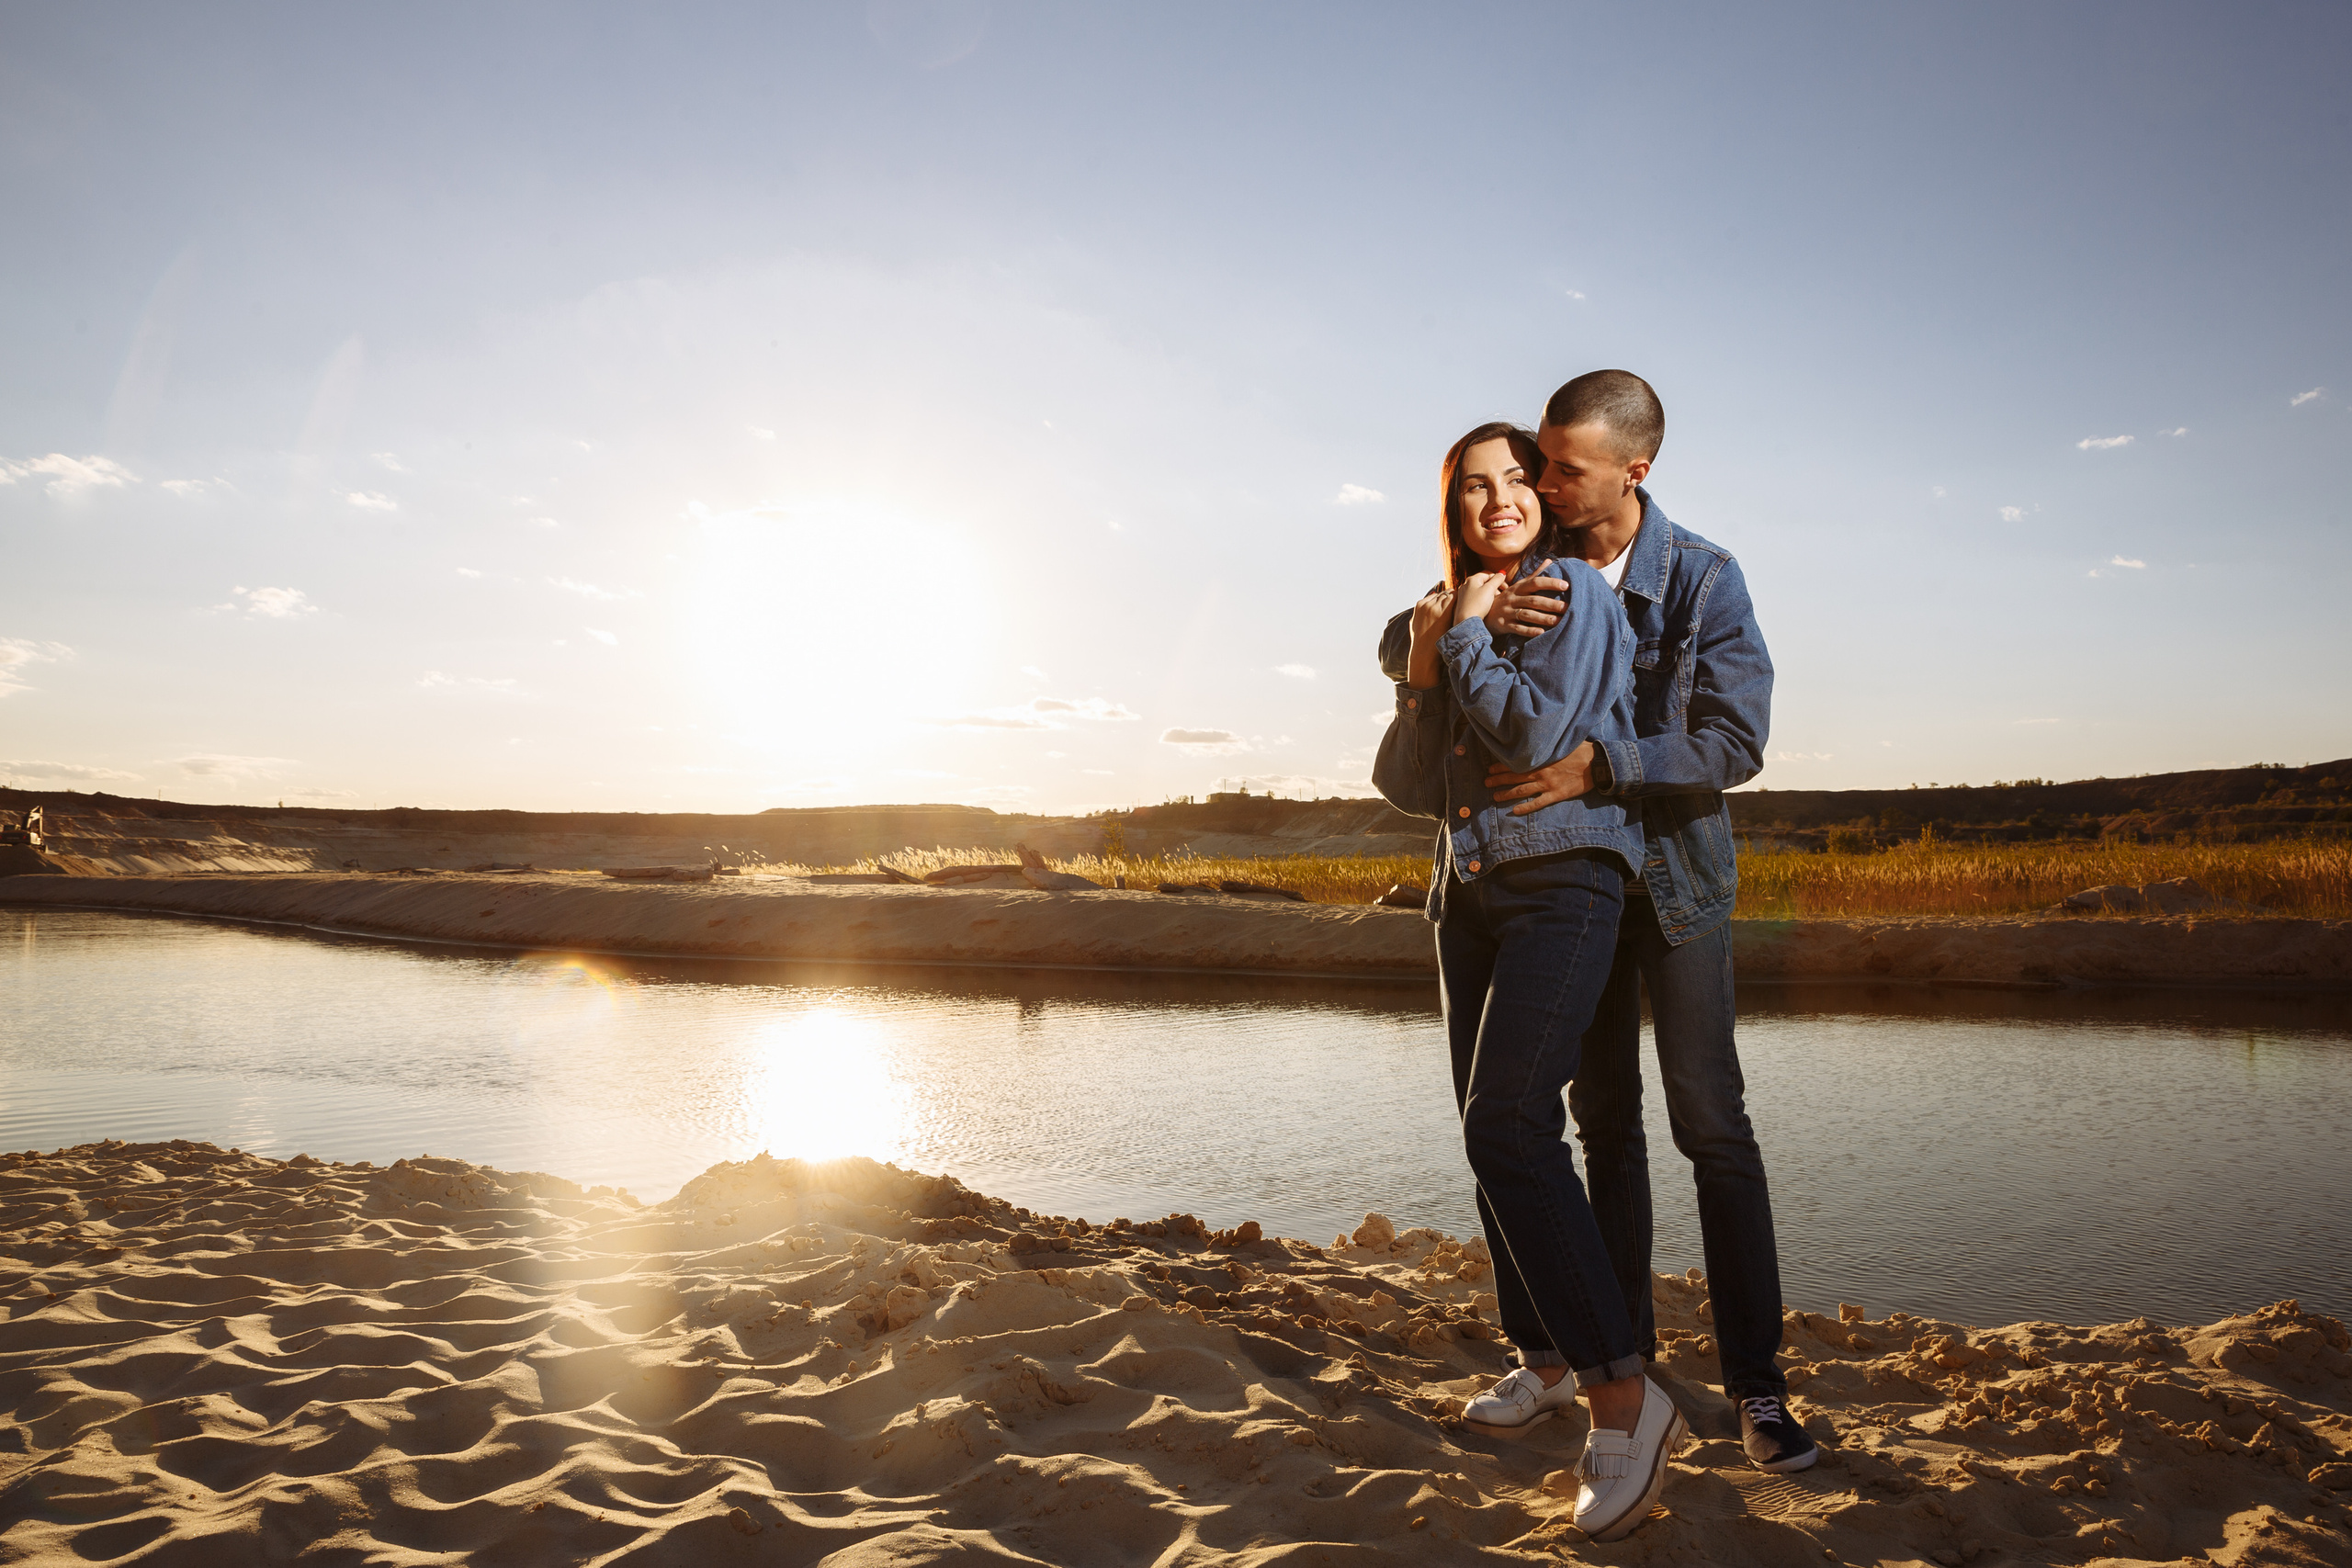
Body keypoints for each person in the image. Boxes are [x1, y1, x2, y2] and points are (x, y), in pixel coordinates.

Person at [1378, 371, 1814, 1473]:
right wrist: (1469, 617)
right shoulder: (1526, 566)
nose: (1544, 483)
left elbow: (1734, 739)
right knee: (1597, 1125)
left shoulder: (1702, 577)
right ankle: (1622, 1357)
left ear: (1635, 470)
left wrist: (1600, 764)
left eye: (1559, 468)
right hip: (1559, 890)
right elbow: (1409, 630)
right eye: (1539, 466)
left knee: (1710, 1126)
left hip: (1667, 882)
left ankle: (1757, 1389)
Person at [1373, 420, 1687, 1542]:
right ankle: (1544, 1359)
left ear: (1546, 499)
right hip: (1467, 895)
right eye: (1472, 487)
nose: (1496, 499)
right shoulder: (1460, 610)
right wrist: (1425, 660)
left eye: (1515, 480)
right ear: (1450, 507)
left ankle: (1623, 1395)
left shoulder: (1566, 596)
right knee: (1483, 1132)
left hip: (1564, 883)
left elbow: (1530, 727)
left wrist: (1460, 636)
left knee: (1514, 1122)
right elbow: (1408, 782)